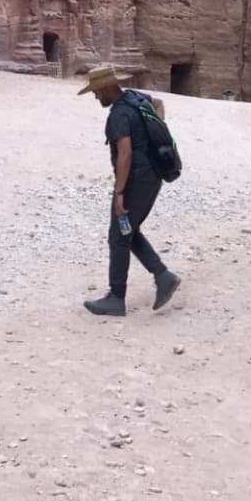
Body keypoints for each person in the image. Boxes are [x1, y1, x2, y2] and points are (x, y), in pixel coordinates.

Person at [77, 64, 181, 317]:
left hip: (136, 181)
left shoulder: (118, 115)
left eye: (97, 91)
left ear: (107, 88)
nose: (95, 96)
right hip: (153, 176)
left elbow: (125, 154)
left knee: (118, 235)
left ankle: (117, 298)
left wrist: (119, 193)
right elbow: (159, 104)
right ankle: (163, 276)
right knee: (128, 231)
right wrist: (155, 134)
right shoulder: (136, 97)